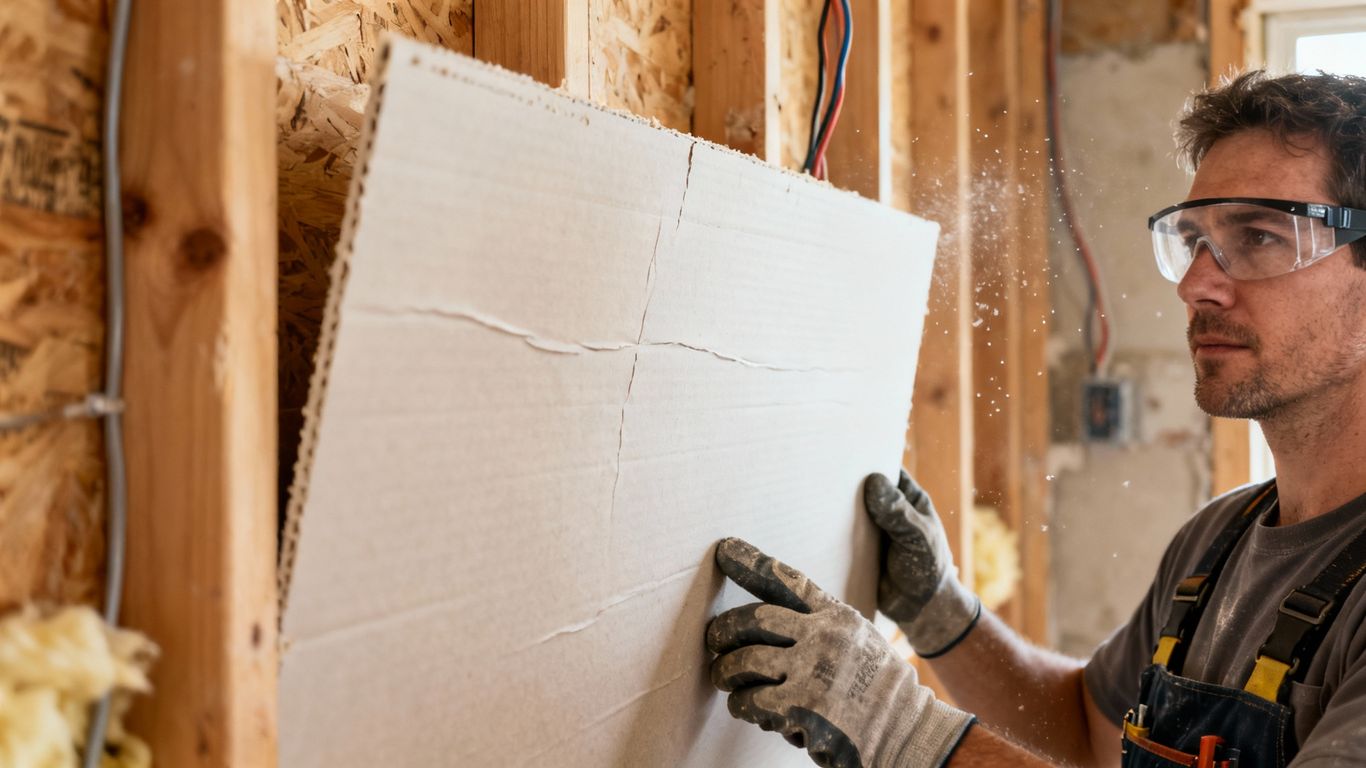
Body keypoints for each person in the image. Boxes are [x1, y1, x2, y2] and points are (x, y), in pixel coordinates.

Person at [705, 69, 1366, 768]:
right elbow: (1086, 734)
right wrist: (942, 615)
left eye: (1259, 235)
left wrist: (902, 730)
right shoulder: (1216, 544)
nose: (1198, 283)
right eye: (1193, 240)